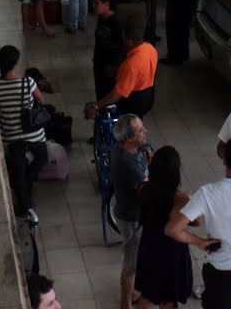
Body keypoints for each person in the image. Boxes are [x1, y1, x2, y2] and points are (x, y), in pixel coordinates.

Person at [166, 135, 231, 309]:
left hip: (220, 268)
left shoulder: (207, 194)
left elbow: (172, 229)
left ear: (224, 159)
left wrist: (200, 242)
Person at [0, 44, 48, 223]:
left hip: (12, 135)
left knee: (18, 171)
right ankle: (28, 180)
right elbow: (41, 99)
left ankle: (24, 203)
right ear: (15, 64)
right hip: (33, 134)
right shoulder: (27, 82)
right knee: (41, 158)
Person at [135, 146, 194, 308]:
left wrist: (149, 169)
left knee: (147, 294)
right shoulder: (182, 198)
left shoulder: (143, 189)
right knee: (169, 297)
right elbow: (197, 222)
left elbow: (148, 182)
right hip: (172, 248)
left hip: (150, 246)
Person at [109, 114, 151, 309]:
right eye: (140, 131)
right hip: (131, 218)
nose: (145, 132)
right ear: (128, 139)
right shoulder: (127, 163)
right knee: (131, 264)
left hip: (129, 212)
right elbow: (148, 190)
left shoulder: (128, 149)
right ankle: (125, 303)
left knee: (133, 256)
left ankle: (133, 292)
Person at [85, 20, 158, 118]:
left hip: (134, 101)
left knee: (127, 126)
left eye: (123, 37)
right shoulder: (150, 49)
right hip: (148, 95)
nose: (122, 39)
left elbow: (117, 95)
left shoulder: (131, 64)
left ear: (129, 42)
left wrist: (96, 105)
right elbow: (141, 72)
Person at [91, 0, 123, 100]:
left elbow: (120, 47)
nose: (93, 5)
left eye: (97, 3)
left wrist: (113, 67)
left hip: (110, 68)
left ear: (107, 5)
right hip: (99, 63)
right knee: (99, 93)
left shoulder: (116, 23)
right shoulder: (101, 18)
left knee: (107, 95)